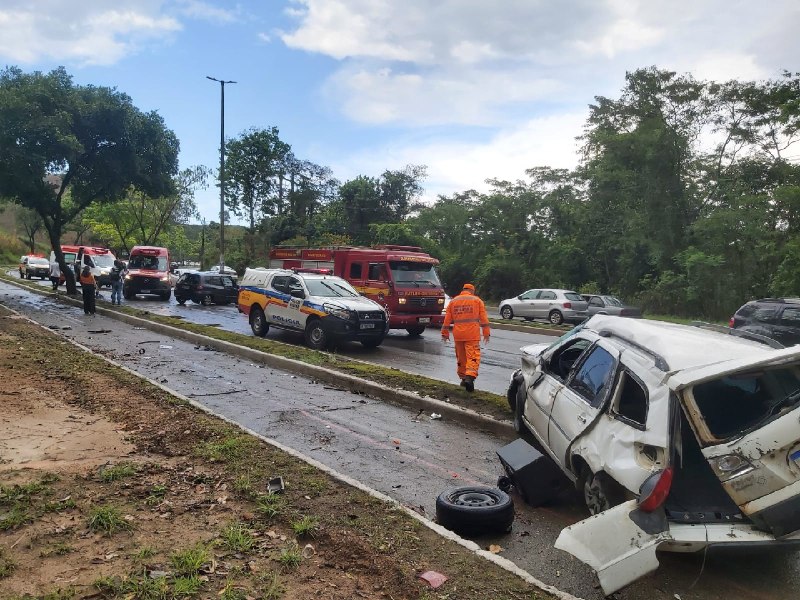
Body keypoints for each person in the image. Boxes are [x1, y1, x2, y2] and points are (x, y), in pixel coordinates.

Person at [441, 283, 490, 392]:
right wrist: (486, 333)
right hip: (472, 334)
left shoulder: (453, 301)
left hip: (458, 334)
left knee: (461, 358)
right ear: (472, 291)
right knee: (472, 356)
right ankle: (470, 377)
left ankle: (463, 378)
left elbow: (447, 319)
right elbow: (483, 318)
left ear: (463, 290)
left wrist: (444, 333)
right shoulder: (477, 301)